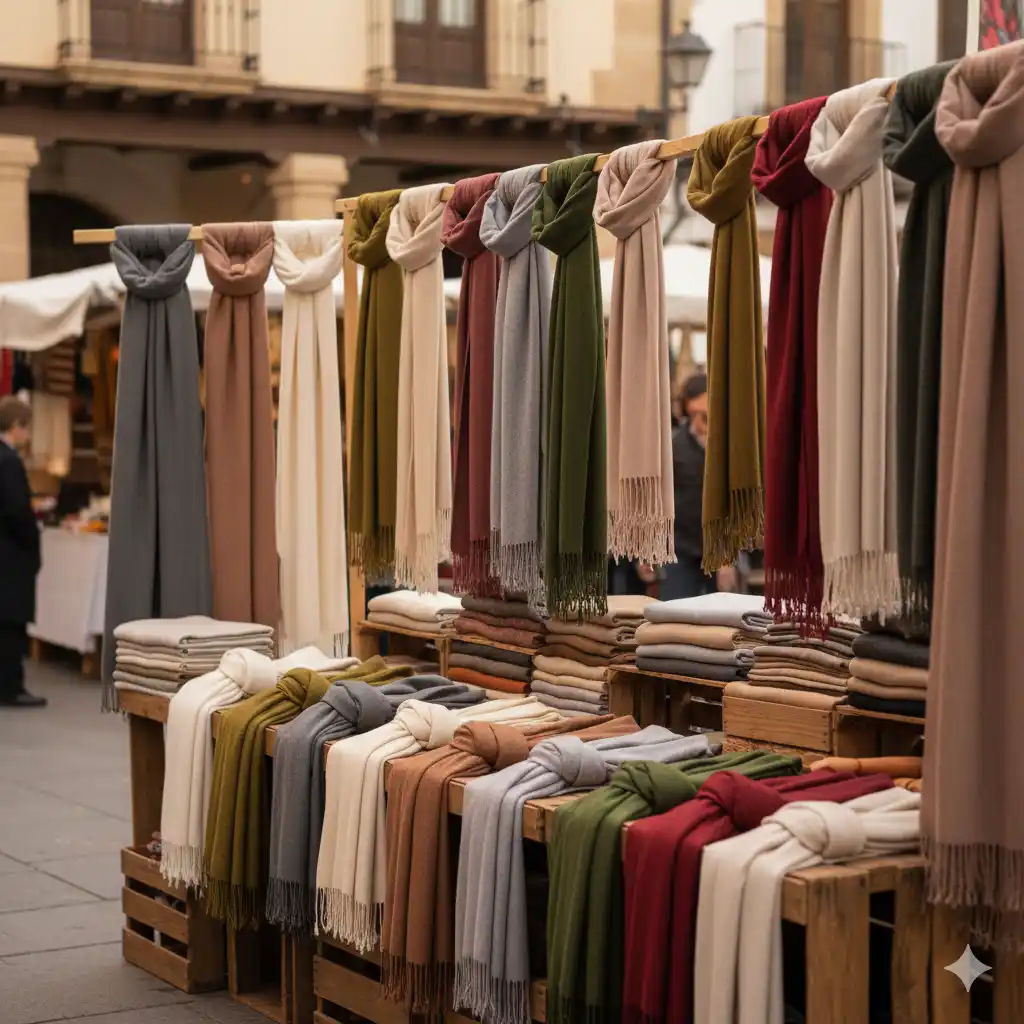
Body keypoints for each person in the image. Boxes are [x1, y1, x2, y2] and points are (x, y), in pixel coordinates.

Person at [662, 372, 737, 599]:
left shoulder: (729, 444)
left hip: (721, 547)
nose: (698, 420)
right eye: (693, 413)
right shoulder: (676, 445)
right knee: (674, 613)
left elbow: (734, 501)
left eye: (703, 413)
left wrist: (727, 557)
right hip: (682, 547)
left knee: (726, 616)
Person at [0, 397, 46, 707]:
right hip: (11, 555)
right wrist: (33, 543)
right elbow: (18, 511)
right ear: (16, 427)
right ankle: (10, 686)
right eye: (27, 429)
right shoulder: (9, 461)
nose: (28, 436)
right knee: (11, 622)